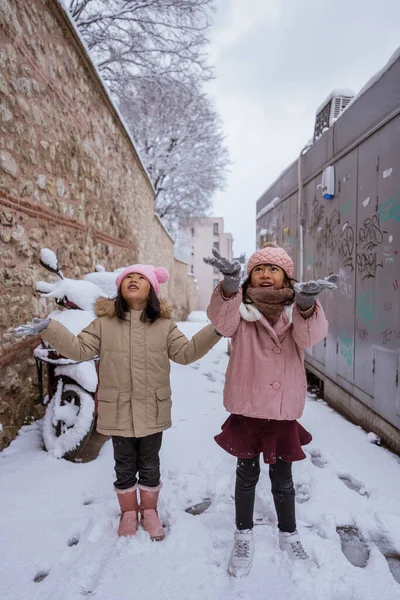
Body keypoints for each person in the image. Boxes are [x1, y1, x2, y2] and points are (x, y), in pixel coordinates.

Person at [15, 264, 221, 541]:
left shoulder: (163, 325)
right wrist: (51, 329)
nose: (134, 281)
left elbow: (185, 353)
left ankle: (149, 510)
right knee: (123, 465)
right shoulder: (104, 324)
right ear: (120, 288)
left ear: (152, 290)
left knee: (149, 464)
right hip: (118, 410)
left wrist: (214, 331)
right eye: (129, 278)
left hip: (152, 409)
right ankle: (127, 512)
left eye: (141, 278)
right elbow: (78, 348)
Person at [203, 243, 338, 577]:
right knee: (246, 475)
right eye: (259, 269)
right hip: (248, 407)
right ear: (250, 276)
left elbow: (309, 339)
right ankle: (243, 534)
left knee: (284, 479)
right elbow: (222, 322)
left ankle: (289, 533)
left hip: (281, 411)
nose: (265, 274)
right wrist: (230, 287)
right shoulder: (241, 307)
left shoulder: (298, 309)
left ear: (286, 278)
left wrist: (307, 306)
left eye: (273, 269)